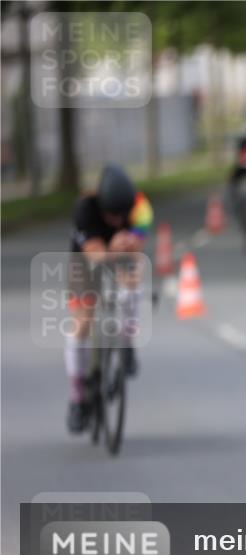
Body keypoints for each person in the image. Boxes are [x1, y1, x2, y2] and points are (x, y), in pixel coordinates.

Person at [65, 164, 152, 433]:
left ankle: (127, 343)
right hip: (86, 258)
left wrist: (130, 245)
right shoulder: (85, 208)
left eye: (122, 215)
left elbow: (138, 243)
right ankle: (77, 397)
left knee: (133, 277)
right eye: (111, 215)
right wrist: (116, 246)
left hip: (117, 252)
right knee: (83, 323)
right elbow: (95, 254)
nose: (117, 220)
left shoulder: (141, 206)